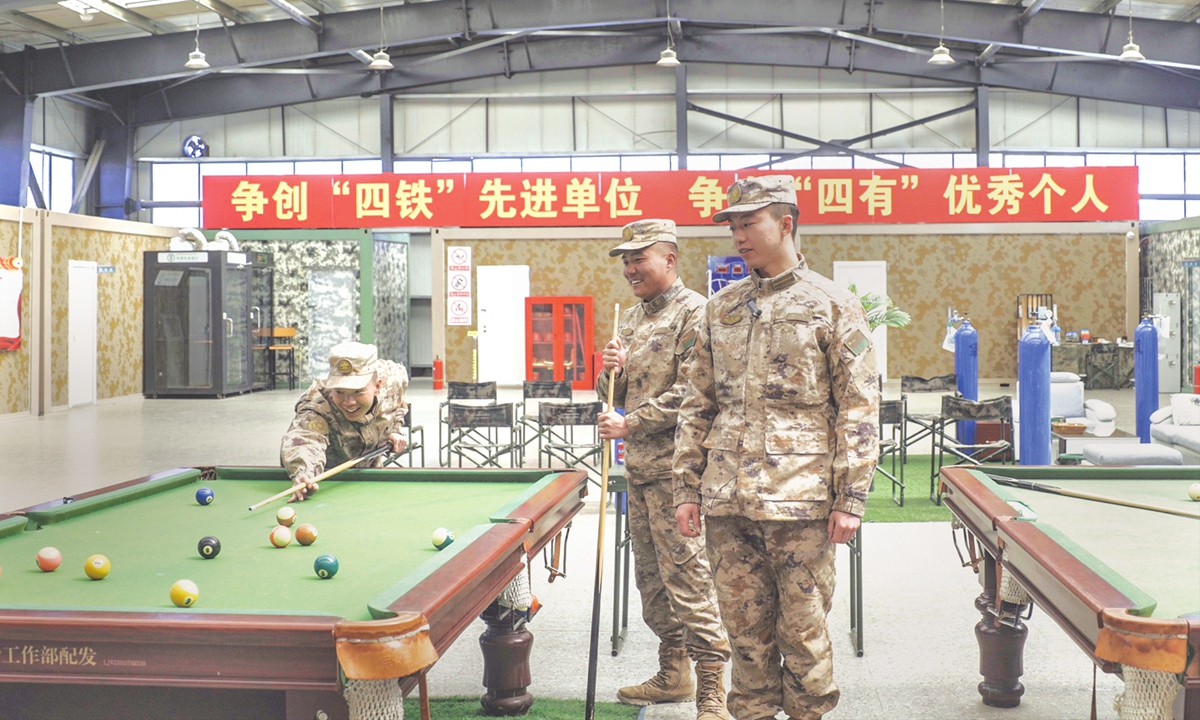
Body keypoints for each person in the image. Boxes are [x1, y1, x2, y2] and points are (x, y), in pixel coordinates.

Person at [672, 176, 879, 720]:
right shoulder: (721, 308)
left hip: (801, 503)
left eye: (749, 223)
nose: (738, 236)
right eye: (733, 226)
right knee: (744, 636)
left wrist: (850, 497)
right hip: (727, 501)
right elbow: (697, 403)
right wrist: (686, 489)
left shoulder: (833, 304)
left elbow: (859, 405)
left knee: (803, 633)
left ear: (786, 223)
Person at [596, 219, 732, 720]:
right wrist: (610, 371)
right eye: (626, 261)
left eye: (639, 259)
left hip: (681, 477)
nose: (630, 269)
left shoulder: (696, 312)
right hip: (639, 473)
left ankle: (713, 688)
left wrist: (629, 422)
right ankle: (674, 674)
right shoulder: (631, 319)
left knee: (690, 580)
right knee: (651, 583)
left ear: (669, 259)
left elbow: (696, 393)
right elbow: (612, 393)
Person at [281, 341, 409, 502]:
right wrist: (305, 474)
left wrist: (394, 430)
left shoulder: (393, 379)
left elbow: (397, 403)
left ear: (377, 386)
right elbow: (304, 439)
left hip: (371, 475)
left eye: (358, 391)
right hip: (329, 484)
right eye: (339, 391)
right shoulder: (318, 403)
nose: (348, 402)